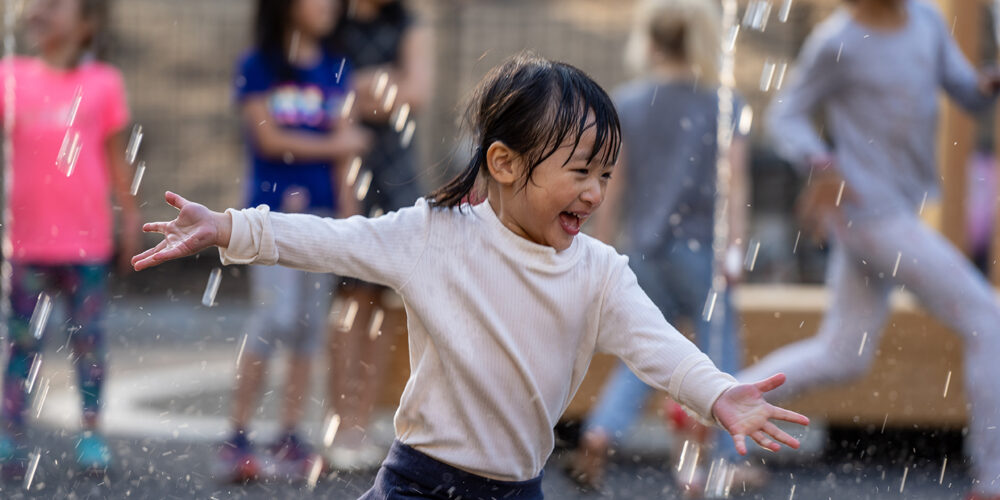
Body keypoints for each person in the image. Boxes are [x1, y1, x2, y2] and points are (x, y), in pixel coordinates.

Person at [133, 53, 808, 499]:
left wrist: (718, 394)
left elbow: (656, 345)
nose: (596, 192)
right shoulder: (435, 235)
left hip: (516, 488)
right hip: (417, 480)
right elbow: (332, 241)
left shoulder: (599, 272)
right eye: (579, 172)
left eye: (604, 175)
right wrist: (229, 227)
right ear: (506, 164)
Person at [739, 0, 1000, 498]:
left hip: (893, 212)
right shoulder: (837, 42)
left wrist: (987, 86)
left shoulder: (925, 18)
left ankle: (717, 398)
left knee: (843, 355)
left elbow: (967, 92)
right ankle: (992, 481)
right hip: (870, 215)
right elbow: (785, 116)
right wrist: (821, 163)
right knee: (987, 320)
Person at [568, 0, 754, 492]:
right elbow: (735, 184)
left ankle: (602, 429)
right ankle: (727, 458)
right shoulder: (723, 103)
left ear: (649, 41)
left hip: (644, 249)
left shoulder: (628, 103)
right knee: (718, 350)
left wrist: (602, 247)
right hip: (702, 251)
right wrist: (736, 246)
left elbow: (614, 185)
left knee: (645, 348)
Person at [219, 0, 370, 482]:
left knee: (308, 328)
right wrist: (341, 144)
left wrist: (353, 221)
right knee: (272, 319)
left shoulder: (336, 66)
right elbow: (268, 138)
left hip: (323, 219)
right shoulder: (257, 65)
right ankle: (236, 435)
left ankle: (290, 437)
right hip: (270, 219)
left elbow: (347, 156)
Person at [0, 0, 139, 477]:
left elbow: (118, 161)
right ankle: (9, 434)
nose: (42, 11)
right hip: (26, 246)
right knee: (22, 345)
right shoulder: (9, 77)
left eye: (56, 5)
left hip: (87, 246)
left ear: (86, 25)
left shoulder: (103, 83)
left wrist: (131, 217)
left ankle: (93, 434)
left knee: (90, 345)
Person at [325, 0, 432, 470]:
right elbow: (320, 94)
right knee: (347, 302)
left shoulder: (408, 24)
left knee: (387, 305)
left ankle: (363, 422)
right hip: (342, 171)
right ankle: (337, 424)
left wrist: (353, 95)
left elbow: (417, 93)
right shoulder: (331, 22)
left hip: (395, 175)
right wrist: (374, 89)